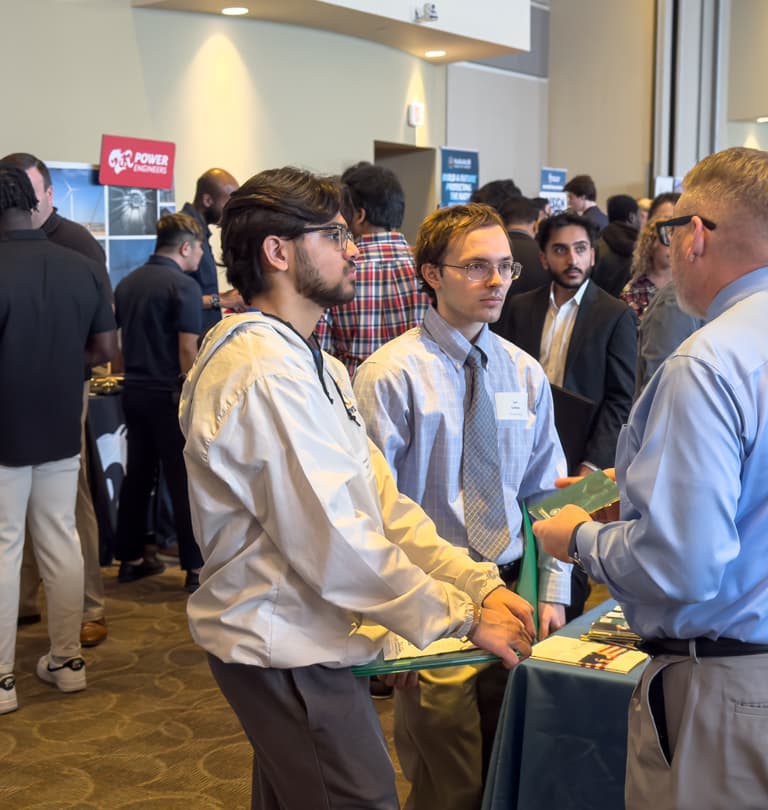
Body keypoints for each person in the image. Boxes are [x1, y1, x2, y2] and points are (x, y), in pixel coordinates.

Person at [533, 147, 768, 810]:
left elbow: (682, 565)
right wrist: (644, 482)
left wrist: (578, 538)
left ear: (695, 233)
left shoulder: (710, 361)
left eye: (669, 230)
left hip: (742, 686)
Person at [178, 167, 534, 809]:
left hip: (311, 639)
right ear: (278, 252)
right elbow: (338, 542)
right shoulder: (263, 373)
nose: (353, 250)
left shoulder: (315, 362)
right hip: (285, 648)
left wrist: (476, 581)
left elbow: (383, 506)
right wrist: (459, 617)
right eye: (335, 235)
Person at [354, 203, 572, 810]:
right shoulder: (389, 376)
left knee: (515, 774)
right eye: (477, 267)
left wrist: (553, 591)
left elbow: (545, 494)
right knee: (447, 785)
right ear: (431, 274)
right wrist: (387, 628)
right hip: (436, 608)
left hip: (516, 594)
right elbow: (369, 515)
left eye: (504, 266)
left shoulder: (523, 374)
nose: (497, 281)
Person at [0, 166, 117, 713]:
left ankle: (3, 680)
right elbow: (103, 350)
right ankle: (68, 661)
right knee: (60, 538)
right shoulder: (81, 267)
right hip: (60, 418)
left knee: (4, 546)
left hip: (4, 426)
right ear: (37, 202)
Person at [497, 211, 636, 619]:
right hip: (523, 452)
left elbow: (620, 399)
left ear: (592, 256)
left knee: (568, 566)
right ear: (543, 258)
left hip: (582, 460)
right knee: (523, 557)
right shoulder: (518, 308)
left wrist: (592, 464)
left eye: (580, 249)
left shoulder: (615, 314)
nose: (571, 259)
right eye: (560, 250)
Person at [112, 213, 206, 593]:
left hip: (133, 392)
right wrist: (198, 393)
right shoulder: (183, 286)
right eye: (200, 247)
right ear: (185, 247)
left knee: (137, 477)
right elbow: (187, 348)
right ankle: (195, 568)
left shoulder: (127, 283)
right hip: (170, 396)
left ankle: (130, 560)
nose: (201, 254)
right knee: (183, 480)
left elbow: (117, 346)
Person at [316, 162, 427, 376]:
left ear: (359, 215)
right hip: (421, 391)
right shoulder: (430, 270)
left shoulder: (336, 269)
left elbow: (322, 354)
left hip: (353, 395)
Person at [181, 168, 245, 330]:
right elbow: (176, 298)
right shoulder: (184, 232)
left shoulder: (200, 232)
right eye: (228, 204)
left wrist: (227, 296)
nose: (232, 211)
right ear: (208, 200)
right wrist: (223, 301)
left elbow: (197, 292)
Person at [592, 194, 642, 297]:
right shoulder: (641, 250)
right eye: (639, 215)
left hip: (597, 308)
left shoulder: (595, 246)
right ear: (631, 217)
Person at [620, 220, 671, 318]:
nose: (672, 247)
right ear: (651, 245)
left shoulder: (685, 285)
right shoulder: (633, 291)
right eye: (666, 241)